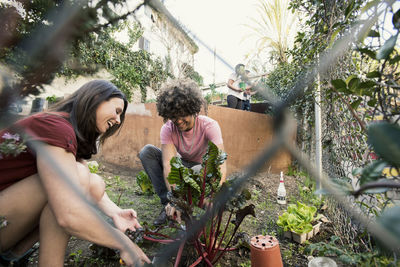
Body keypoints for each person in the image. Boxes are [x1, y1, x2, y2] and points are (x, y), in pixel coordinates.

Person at [0, 80, 150, 266]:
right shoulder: (56, 127)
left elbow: (89, 186)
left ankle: (14, 255)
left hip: (7, 217)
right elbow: (68, 214)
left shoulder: (66, 129)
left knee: (92, 182)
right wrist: (124, 244)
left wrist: (116, 212)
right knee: (75, 181)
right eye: (117, 111)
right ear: (96, 98)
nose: (118, 120)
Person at [139, 79, 227, 225]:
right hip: (180, 166)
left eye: (183, 114)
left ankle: (197, 205)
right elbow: (168, 164)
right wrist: (175, 200)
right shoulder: (168, 128)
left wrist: (212, 195)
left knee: (198, 168)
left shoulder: (210, 126)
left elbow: (221, 164)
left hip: (201, 169)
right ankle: (168, 204)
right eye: (174, 116)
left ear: (194, 110)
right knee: (147, 152)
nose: (178, 120)